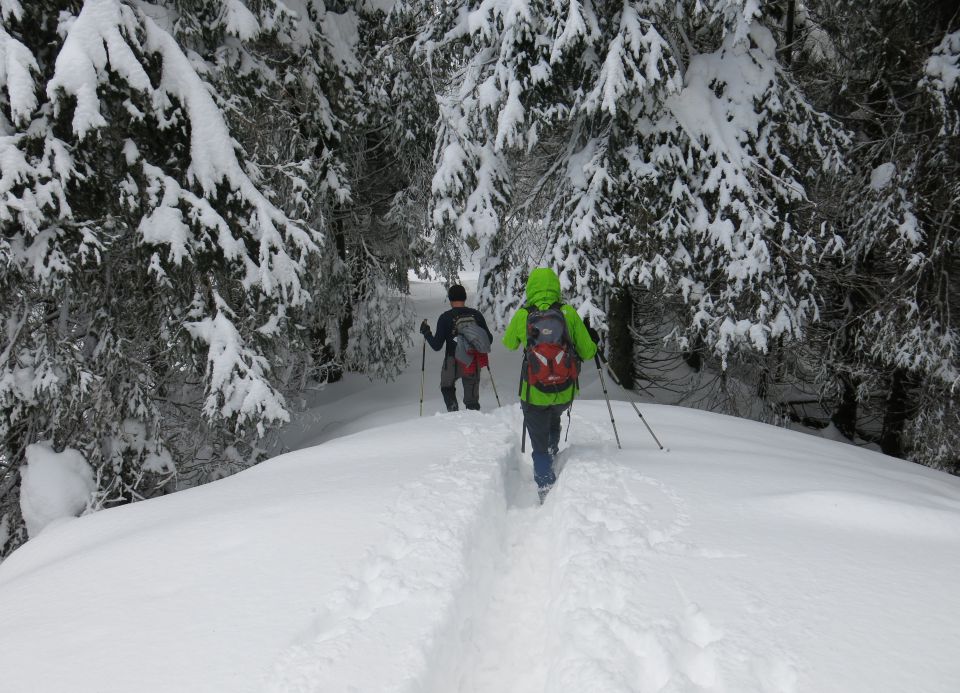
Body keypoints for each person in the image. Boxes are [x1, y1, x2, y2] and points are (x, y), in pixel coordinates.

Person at [502, 267, 596, 498]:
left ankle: (545, 486)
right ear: (556, 287)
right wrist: (591, 338)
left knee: (538, 441)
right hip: (564, 391)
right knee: (554, 416)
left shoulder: (524, 315)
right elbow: (588, 351)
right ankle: (554, 450)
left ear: (530, 289)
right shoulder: (568, 313)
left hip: (534, 391)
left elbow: (508, 343)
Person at [420, 284, 493, 412]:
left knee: (446, 387)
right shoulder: (476, 315)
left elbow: (437, 346)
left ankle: (453, 412)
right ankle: (474, 420)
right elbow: (489, 339)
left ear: (450, 299)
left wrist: (427, 333)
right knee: (472, 401)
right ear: (464, 298)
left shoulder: (445, 317)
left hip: (452, 361)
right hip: (472, 360)